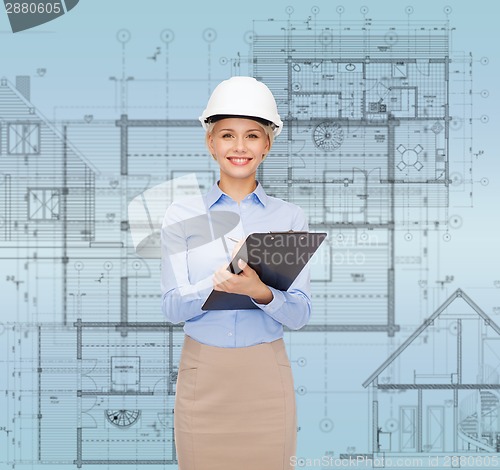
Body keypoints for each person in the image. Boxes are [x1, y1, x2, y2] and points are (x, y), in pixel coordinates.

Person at [161, 76, 311, 470]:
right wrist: (214, 285)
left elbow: (299, 314)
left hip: (266, 376)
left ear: (268, 144)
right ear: (210, 143)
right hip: (203, 376)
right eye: (227, 135)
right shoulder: (182, 216)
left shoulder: (290, 217)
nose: (240, 147)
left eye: (253, 135)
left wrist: (260, 291)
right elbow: (172, 308)